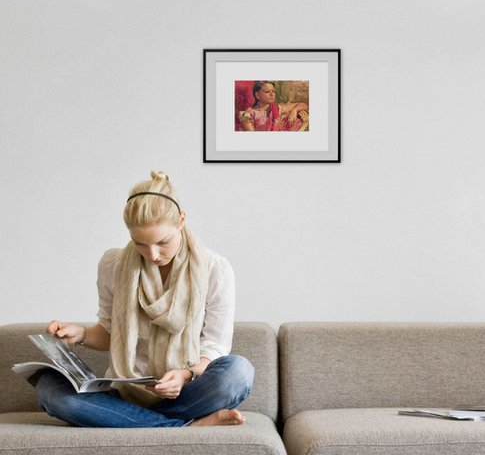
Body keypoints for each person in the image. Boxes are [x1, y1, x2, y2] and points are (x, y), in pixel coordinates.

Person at [34, 171, 254, 428]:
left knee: (239, 372)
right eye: (139, 243)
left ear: (182, 220)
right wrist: (80, 333)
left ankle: (130, 422)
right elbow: (110, 333)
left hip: (186, 392)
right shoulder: (113, 265)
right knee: (48, 389)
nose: (152, 254)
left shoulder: (215, 269)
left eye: (163, 242)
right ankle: (184, 427)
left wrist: (184, 375)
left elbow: (214, 346)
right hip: (124, 393)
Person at [238, 81, 309, 131]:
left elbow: (304, 105)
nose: (272, 94)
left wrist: (294, 110)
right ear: (257, 95)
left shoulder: (276, 108)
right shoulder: (246, 115)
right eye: (267, 92)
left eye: (273, 91)